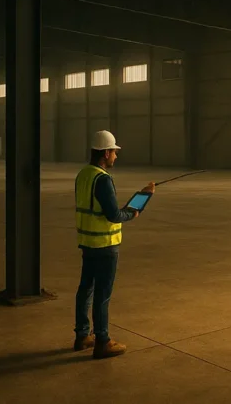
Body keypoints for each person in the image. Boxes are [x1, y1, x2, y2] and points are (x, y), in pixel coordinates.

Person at [73, 130, 155, 359]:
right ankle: (102, 341)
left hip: (87, 241)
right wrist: (134, 212)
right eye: (114, 153)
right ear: (106, 152)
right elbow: (114, 215)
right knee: (102, 294)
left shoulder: (83, 174)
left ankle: (82, 335)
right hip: (105, 244)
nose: (116, 157)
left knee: (85, 288)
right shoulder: (103, 179)